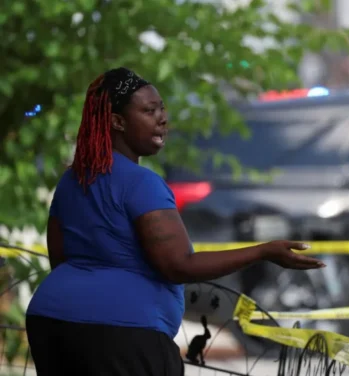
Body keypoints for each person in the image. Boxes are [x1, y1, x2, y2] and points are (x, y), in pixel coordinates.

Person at [25, 67, 325, 376]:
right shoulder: (142, 184)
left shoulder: (73, 181)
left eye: (162, 108)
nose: (162, 118)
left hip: (51, 321)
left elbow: (61, 259)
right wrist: (263, 252)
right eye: (148, 110)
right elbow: (179, 265)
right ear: (117, 121)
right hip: (122, 335)